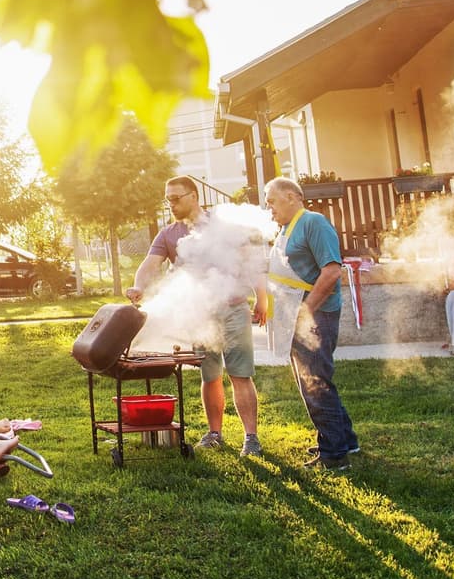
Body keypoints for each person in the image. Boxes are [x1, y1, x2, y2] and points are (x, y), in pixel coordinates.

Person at [124, 175, 270, 456]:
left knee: (240, 374)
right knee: (210, 375)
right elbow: (149, 265)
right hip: (200, 315)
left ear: (194, 196)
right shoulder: (168, 234)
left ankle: (251, 438)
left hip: (233, 308)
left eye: (176, 198)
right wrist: (138, 286)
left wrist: (261, 297)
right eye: (167, 199)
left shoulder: (222, 226)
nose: (171, 204)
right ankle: (215, 433)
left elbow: (248, 260)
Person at [265, 176, 360, 471]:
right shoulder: (285, 229)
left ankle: (333, 455)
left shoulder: (313, 223)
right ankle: (345, 440)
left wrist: (306, 311)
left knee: (315, 383)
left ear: (292, 197)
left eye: (271, 201)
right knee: (316, 380)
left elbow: (331, 272)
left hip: (315, 316)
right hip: (295, 313)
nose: (268, 208)